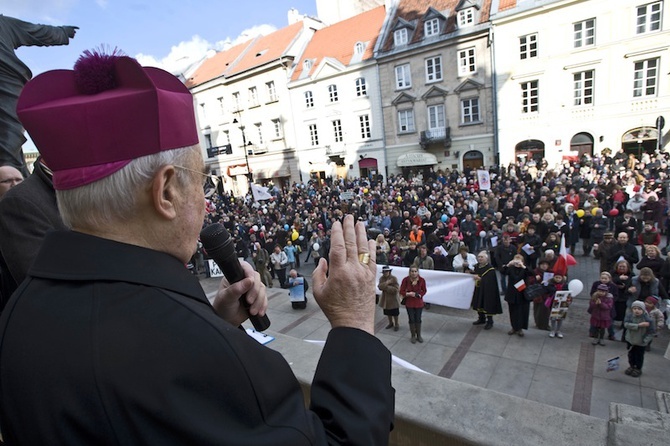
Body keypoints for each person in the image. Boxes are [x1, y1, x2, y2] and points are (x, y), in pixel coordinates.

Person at [0, 52, 394, 444]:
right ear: (166, 191)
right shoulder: (206, 359)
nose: (207, 200)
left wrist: (211, 321)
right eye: (202, 180)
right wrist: (354, 323)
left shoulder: (17, 314)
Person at [0, 15, 77, 174]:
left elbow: (34, 31)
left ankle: (10, 186)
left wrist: (62, 32)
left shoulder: (3, 24)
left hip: (6, 84)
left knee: (9, 141)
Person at [470, 251, 502, 330]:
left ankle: (490, 322)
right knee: (478, 303)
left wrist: (480, 279)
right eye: (479, 257)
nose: (480, 258)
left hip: (488, 291)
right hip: (478, 288)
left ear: (486, 259)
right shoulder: (477, 267)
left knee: (487, 305)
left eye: (482, 257)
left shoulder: (490, 269)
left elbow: (490, 281)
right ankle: (481, 318)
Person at [503, 254, 533, 336]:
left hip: (521, 293)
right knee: (512, 311)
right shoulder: (511, 268)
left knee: (521, 311)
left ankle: (520, 328)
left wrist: (523, 266)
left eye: (519, 259)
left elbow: (531, 273)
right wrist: (508, 264)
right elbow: (503, 271)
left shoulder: (524, 269)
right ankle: (514, 327)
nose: (517, 261)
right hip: (512, 293)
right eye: (516, 259)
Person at [623, 301, 655, 377]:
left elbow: (651, 332)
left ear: (643, 310)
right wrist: (638, 325)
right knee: (631, 355)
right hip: (631, 340)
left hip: (641, 342)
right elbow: (626, 324)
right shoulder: (630, 316)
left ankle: (638, 368)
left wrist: (645, 341)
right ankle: (631, 366)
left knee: (639, 356)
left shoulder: (648, 320)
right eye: (635, 308)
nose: (636, 310)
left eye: (639, 309)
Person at [399, 266, 427, 344]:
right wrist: (408, 294)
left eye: (415, 271)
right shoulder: (406, 280)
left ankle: (419, 335)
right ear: (409, 272)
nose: (414, 273)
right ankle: (413, 335)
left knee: (418, 319)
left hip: (418, 303)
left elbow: (424, 290)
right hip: (409, 303)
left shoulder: (421, 280)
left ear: (418, 272)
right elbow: (401, 291)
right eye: (412, 271)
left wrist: (419, 294)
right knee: (411, 319)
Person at [377, 265, 400, 331]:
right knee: (388, 312)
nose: (385, 273)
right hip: (385, 299)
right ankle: (390, 323)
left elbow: (396, 289)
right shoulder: (382, 278)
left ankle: (396, 324)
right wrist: (387, 283)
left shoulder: (394, 278)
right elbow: (380, 287)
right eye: (384, 272)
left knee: (395, 313)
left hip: (393, 299)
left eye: (387, 271)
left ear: (389, 271)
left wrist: (386, 287)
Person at [546, 273, 569, 338]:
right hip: (553, 303)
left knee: (560, 318)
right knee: (553, 317)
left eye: (559, 278)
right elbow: (548, 291)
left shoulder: (565, 285)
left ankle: (558, 330)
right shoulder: (551, 284)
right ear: (554, 277)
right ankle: (553, 330)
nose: (558, 279)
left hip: (562, 304)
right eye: (556, 277)